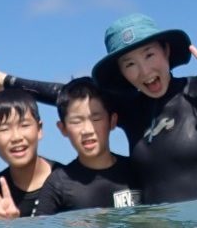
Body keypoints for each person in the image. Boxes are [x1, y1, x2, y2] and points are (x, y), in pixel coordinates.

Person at [0, 13, 197, 204]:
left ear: (166, 50)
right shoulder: (130, 108)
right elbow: (69, 96)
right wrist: (8, 82)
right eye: (130, 64)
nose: (144, 71)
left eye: (149, 55)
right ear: (121, 72)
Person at [35, 77, 141, 215]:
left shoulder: (138, 170)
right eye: (76, 122)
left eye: (96, 119)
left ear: (112, 121)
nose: (87, 130)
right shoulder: (57, 184)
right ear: (63, 128)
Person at [0, 90, 61, 222]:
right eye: (4, 129)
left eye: (24, 125)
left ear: (39, 129)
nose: (16, 137)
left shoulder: (68, 181)